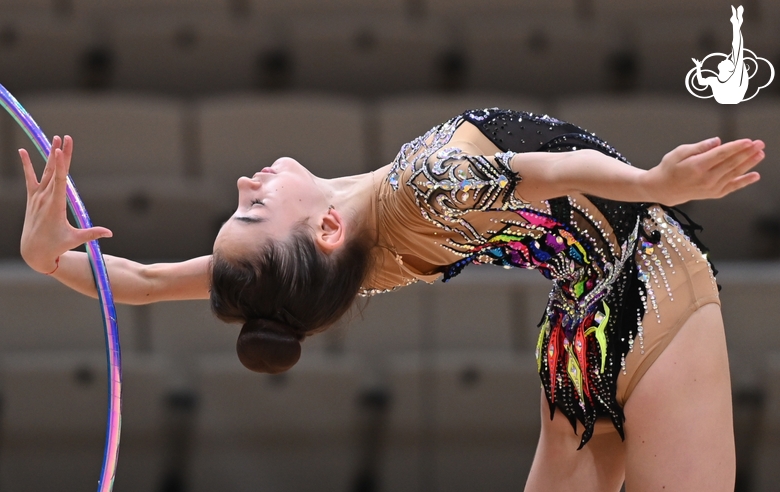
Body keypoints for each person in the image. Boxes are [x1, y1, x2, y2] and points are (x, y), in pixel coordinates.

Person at [19, 108, 764, 491]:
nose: (246, 185)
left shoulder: (344, 259)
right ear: (326, 227)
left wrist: (47, 260)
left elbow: (145, 284)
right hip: (652, 295)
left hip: (576, 337)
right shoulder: (421, 191)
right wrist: (650, 186)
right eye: (253, 209)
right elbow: (537, 172)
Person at [692, 5, 749, 104]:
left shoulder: (733, 79)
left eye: (728, 61)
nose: (725, 59)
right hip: (724, 99)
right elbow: (701, 81)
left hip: (730, 98)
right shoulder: (715, 80)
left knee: (737, 51)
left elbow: (737, 49)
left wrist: (736, 25)